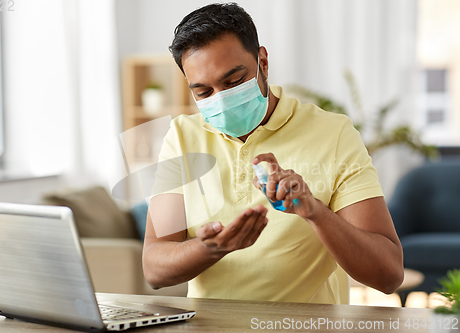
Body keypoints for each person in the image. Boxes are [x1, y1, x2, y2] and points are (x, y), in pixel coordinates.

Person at [142, 2, 403, 304]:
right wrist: (212, 248)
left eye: (234, 81)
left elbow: (389, 274)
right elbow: (154, 268)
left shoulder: (334, 134)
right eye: (203, 92)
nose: (222, 100)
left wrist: (316, 213)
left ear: (262, 62)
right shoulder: (182, 137)